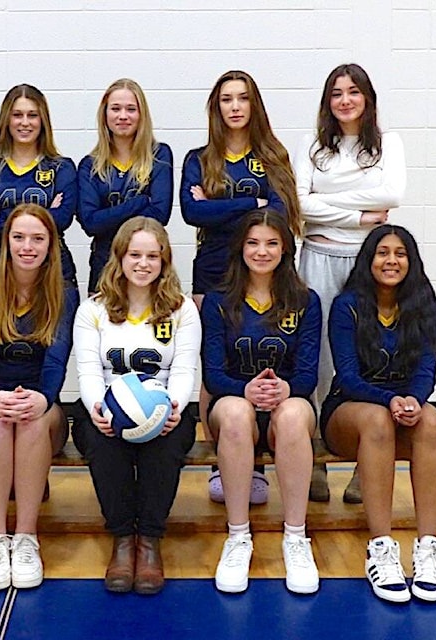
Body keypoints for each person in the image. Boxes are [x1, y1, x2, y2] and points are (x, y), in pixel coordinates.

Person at [179, 69, 303, 507]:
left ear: (254, 105)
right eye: (226, 99)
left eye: (242, 98)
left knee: (263, 349)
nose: (235, 106)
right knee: (217, 361)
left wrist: (222, 207)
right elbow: (192, 213)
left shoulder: (272, 155)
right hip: (212, 272)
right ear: (216, 107)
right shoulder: (199, 157)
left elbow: (282, 210)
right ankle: (224, 460)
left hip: (262, 270)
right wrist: (251, 204)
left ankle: (258, 464)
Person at [292, 63, 406, 505]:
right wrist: (358, 215)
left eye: (353, 92)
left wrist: (327, 203)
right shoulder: (313, 144)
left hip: (366, 260)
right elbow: (299, 204)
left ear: (367, 98)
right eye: (336, 93)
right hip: (318, 255)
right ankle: (316, 458)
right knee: (316, 357)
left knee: (373, 355)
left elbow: (392, 195)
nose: (345, 100)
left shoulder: (388, 143)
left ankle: (365, 463)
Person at [72, 217, 201, 595]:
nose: (143, 263)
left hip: (165, 407)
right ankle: (122, 539)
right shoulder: (92, 309)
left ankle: (149, 541)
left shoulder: (181, 310)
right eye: (134, 254)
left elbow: (183, 368)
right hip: (107, 408)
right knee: (102, 444)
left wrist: (171, 407)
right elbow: (88, 371)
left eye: (152, 256)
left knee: (165, 445)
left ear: (164, 261)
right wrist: (99, 408)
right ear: (119, 258)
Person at [321, 224, 436, 603]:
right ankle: (380, 548)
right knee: (377, 420)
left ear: (411, 262)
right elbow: (347, 375)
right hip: (351, 412)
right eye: (382, 252)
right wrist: (388, 400)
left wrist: (413, 399)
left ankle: (428, 548)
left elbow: (426, 371)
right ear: (368, 259)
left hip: (402, 410)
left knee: (432, 419)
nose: (391, 260)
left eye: (400, 253)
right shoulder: (348, 306)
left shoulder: (427, 307)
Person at [0, 203, 78, 591]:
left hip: (41, 410)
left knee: (32, 420)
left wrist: (41, 399)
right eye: (19, 237)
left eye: (38, 238)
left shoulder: (65, 294)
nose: (28, 246)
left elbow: (56, 364)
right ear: (6, 242)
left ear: (51, 245)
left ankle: (26, 539)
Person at [201, 208, 321, 595]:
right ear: (240, 248)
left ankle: (296, 537)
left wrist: (286, 389)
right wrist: (244, 391)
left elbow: (307, 375)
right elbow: (213, 374)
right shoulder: (219, 300)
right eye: (253, 243)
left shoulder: (305, 300)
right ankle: (238, 537)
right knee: (235, 412)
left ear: (286, 249)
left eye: (271, 243)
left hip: (286, 402)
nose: (262, 252)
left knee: (291, 415)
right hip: (235, 405)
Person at [0, 84, 79, 290]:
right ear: (6, 119)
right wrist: (46, 215)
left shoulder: (61, 167)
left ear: (42, 120)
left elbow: (63, 219)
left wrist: (3, 218)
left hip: (54, 268)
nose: (25, 122)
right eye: (17, 115)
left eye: (33, 115)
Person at [77, 78, 174, 295]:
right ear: (105, 114)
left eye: (131, 109)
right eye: (116, 109)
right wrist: (140, 202)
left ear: (141, 115)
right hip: (104, 265)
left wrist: (108, 216)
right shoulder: (90, 165)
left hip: (147, 268)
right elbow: (91, 223)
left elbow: (159, 215)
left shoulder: (159, 156)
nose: (123, 116)